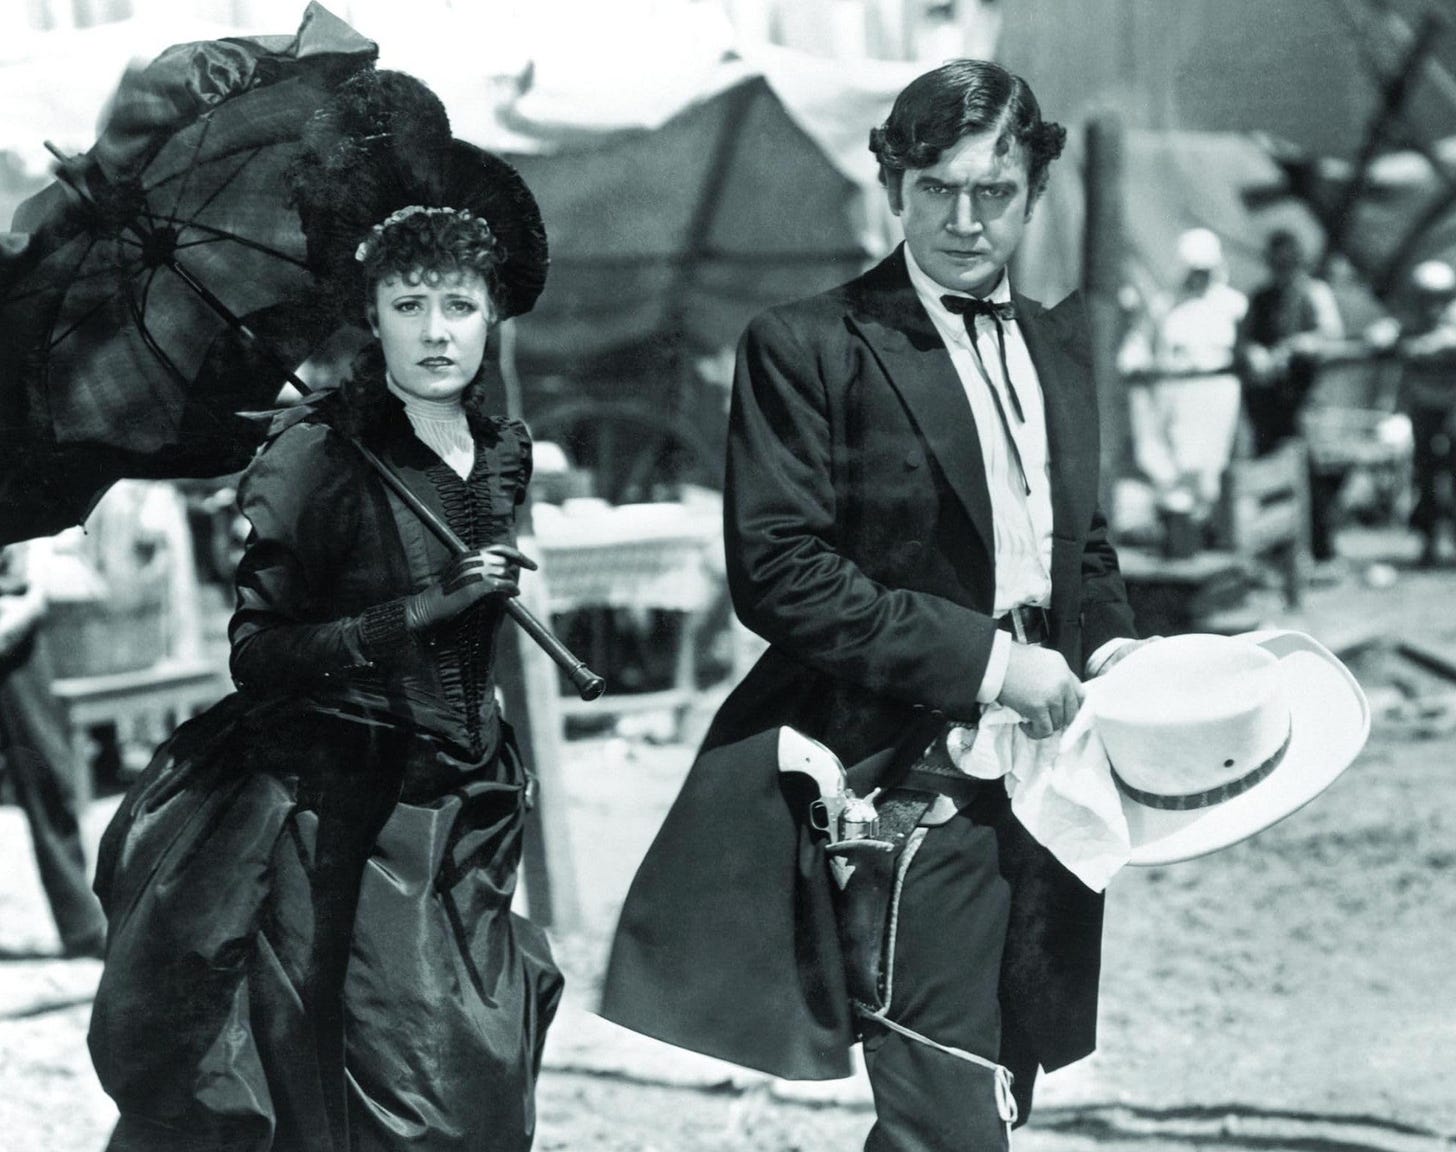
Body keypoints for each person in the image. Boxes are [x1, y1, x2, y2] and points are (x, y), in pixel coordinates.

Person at [602, 59, 1143, 1149]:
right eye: (934, 186)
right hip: (896, 768)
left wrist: (1113, 642)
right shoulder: (807, 345)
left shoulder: (1059, 345)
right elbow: (781, 572)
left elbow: (1079, 544)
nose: (962, 217)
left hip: (1056, 767)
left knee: (995, 1071)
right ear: (889, 184)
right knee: (943, 1095)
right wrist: (992, 665)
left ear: (1033, 193)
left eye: (992, 191)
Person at [86, 90, 562, 1150]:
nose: (436, 332)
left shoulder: (500, 449)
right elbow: (256, 658)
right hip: (336, 814)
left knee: (482, 1079)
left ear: (494, 312)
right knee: (415, 1105)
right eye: (408, 304)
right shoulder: (311, 457)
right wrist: (425, 608)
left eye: (459, 305)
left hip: (467, 808)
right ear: (372, 313)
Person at [0, 539, 108, 959]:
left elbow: (34, 570)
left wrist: (22, 611)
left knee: (47, 774)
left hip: (13, 634)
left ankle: (83, 927)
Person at [1238, 229, 1346, 561]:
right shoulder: (1261, 298)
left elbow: (1330, 335)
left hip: (1305, 400)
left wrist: (1299, 347)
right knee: (1270, 472)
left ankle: (1319, 549)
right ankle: (1277, 551)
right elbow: (1245, 339)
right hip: (1268, 403)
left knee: (1313, 475)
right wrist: (1255, 354)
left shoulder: (1314, 293)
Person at [1131, 227, 1248, 525]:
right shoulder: (1164, 306)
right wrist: (1137, 363)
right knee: (1174, 463)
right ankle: (1178, 528)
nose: (1199, 277)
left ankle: (1209, 525)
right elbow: (1139, 345)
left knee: (1210, 464)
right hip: (1176, 397)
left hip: (1217, 397)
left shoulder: (1233, 306)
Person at [1394, 259, 1456, 566]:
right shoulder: (1412, 322)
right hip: (1424, 407)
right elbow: (1395, 342)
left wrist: (1425, 347)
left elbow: (1447, 343)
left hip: (1453, 407)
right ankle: (1427, 539)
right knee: (1425, 473)